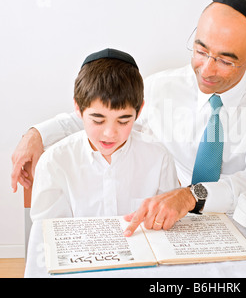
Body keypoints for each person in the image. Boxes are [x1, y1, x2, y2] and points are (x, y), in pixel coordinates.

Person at [12, 0, 246, 235]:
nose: (206, 70)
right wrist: (37, 134)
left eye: (225, 61)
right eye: (201, 51)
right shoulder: (163, 87)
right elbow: (105, 114)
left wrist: (193, 195)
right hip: (178, 227)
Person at [29, 48, 179, 222]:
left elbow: (167, 227)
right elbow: (46, 237)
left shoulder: (159, 158)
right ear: (78, 108)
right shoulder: (54, 163)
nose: (109, 134)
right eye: (98, 120)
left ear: (139, 112)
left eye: (123, 121)